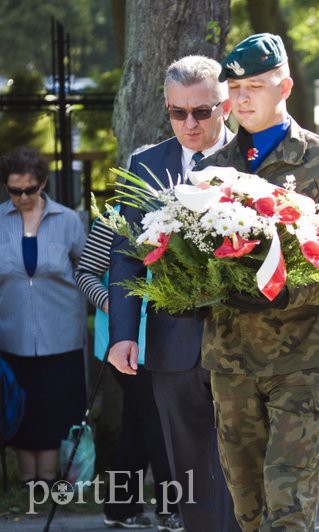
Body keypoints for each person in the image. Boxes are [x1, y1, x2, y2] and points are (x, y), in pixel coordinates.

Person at [193, 33, 319, 531]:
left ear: (285, 86)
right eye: (235, 86)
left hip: (301, 362)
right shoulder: (211, 172)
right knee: (247, 508)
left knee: (289, 507)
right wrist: (191, 291)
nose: (242, 97)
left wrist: (285, 290)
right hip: (231, 364)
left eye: (255, 85)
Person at [108, 55, 238, 532]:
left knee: (246, 471)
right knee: (190, 477)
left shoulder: (254, 160)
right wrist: (124, 334)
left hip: (248, 346)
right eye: (177, 112)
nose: (189, 124)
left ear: (225, 106)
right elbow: (125, 256)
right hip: (172, 346)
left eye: (201, 112)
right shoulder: (146, 164)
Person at [75, 211, 180, 530]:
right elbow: (85, 274)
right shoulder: (113, 219)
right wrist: (115, 305)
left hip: (168, 340)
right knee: (159, 419)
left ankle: (120, 508)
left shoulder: (180, 210)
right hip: (124, 341)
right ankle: (170, 509)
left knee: (139, 420)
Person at [0, 146, 86, 487]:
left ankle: (50, 478)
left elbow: (88, 270)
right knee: (21, 407)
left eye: (29, 189)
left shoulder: (69, 221)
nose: (22, 197)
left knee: (55, 407)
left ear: (43, 183)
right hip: (12, 333)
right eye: (14, 190)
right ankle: (28, 479)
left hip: (61, 332)